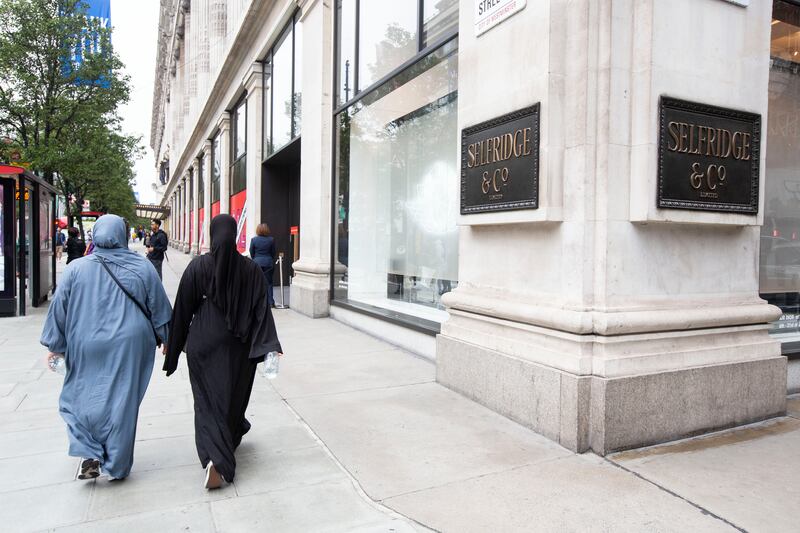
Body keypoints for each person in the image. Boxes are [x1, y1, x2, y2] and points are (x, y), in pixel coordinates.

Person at [40, 215, 172, 481]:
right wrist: (167, 337)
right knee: (123, 402)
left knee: (78, 397)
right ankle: (117, 465)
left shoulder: (76, 269)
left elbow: (59, 308)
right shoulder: (142, 267)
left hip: (86, 342)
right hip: (130, 343)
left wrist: (55, 344)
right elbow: (159, 307)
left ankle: (89, 449)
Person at [164, 214, 282, 489]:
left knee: (206, 402)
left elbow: (182, 309)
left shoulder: (198, 267)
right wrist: (269, 346)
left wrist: (173, 345)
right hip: (239, 348)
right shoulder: (250, 270)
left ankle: (215, 459)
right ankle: (222, 450)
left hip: (202, 344)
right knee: (232, 398)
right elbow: (261, 311)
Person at [249, 223, 277, 307]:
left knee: (256, 283)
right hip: (268, 263)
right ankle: (270, 302)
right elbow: (273, 252)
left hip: (257, 263)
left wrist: (256, 259)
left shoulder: (254, 240)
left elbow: (251, 252)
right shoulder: (271, 240)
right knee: (269, 283)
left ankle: (257, 302)